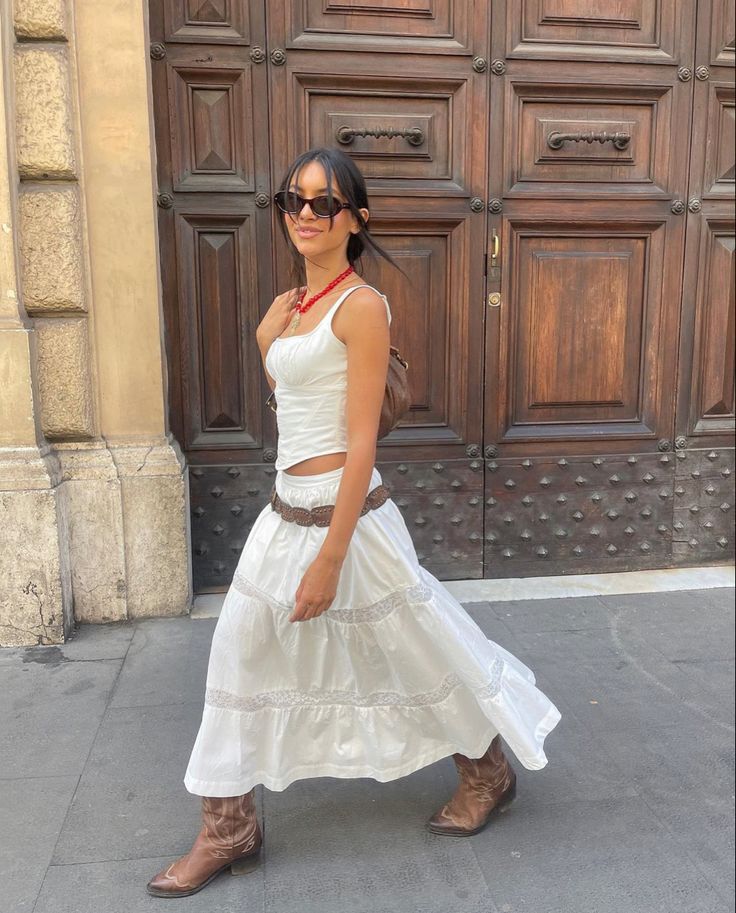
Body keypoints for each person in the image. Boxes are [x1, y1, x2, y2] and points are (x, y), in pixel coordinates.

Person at [146, 147, 562, 898]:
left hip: (351, 518)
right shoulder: (290, 306)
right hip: (283, 514)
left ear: (354, 220)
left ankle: (487, 769)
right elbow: (296, 407)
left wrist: (331, 559)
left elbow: (361, 436)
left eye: (324, 203)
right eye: (294, 199)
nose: (305, 213)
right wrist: (265, 343)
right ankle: (229, 825)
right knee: (239, 649)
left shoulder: (362, 306)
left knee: (415, 646)